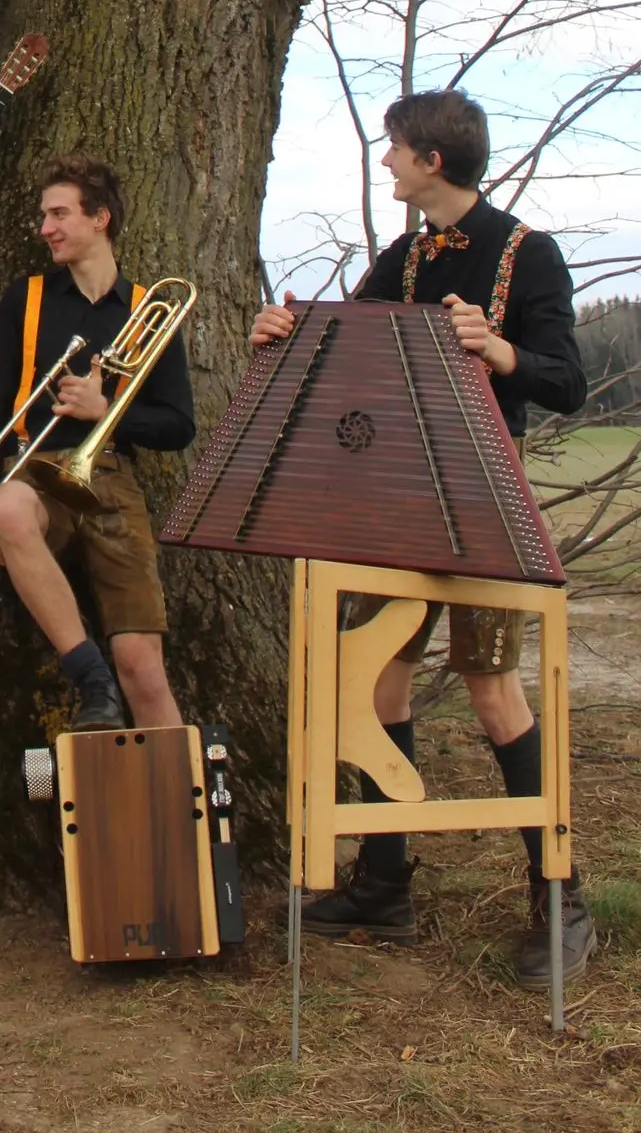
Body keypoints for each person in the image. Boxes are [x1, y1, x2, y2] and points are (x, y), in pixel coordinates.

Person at [250, 88, 591, 987]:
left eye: (393, 147)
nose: (385, 160)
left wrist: (497, 348)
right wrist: (282, 334)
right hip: (396, 505)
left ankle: (559, 896)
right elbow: (340, 349)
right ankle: (383, 883)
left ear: (431, 160)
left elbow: (566, 381)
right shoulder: (402, 257)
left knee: (492, 690)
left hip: (484, 503)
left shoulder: (526, 253)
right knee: (373, 683)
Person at [0, 154, 195, 731]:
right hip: (35, 468)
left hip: (111, 477)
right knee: (8, 506)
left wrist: (106, 412)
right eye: (45, 216)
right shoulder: (26, 299)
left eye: (59, 214)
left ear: (100, 218)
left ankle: (178, 786)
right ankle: (90, 677)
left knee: (144, 669)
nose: (46, 228)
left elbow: (178, 424)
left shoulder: (149, 309)